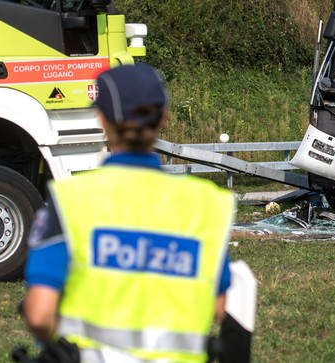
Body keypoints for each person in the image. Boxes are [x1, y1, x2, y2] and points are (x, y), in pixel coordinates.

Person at [22, 64, 236, 363]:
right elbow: (220, 307)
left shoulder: (72, 200)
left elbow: (40, 313)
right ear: (163, 117)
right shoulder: (206, 204)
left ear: (102, 119)